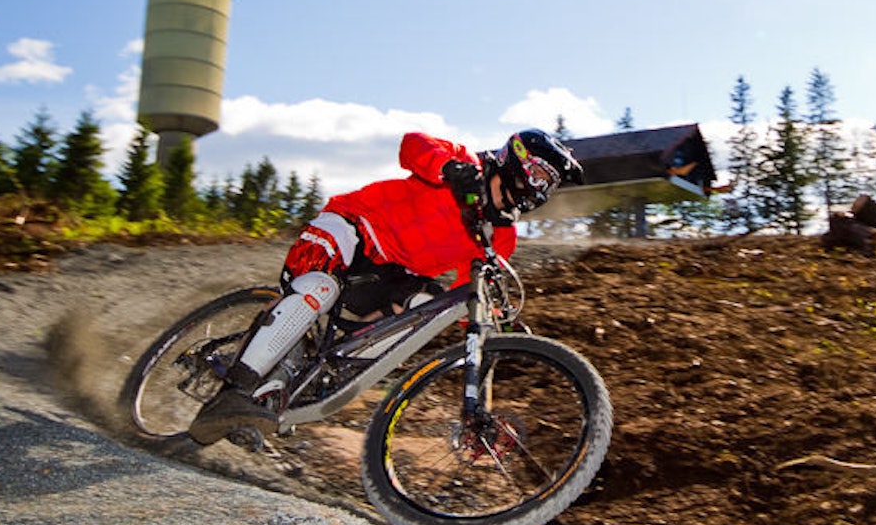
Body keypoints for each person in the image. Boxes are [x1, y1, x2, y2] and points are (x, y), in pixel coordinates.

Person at [187, 128, 584, 445]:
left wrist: (498, 332)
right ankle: (234, 391)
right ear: (515, 159)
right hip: (353, 227)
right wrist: (446, 167)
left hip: (392, 275)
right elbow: (412, 145)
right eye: (539, 175)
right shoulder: (465, 163)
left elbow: (470, 296)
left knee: (430, 306)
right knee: (320, 287)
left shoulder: (503, 235)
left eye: (550, 185)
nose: (541, 190)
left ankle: (315, 381)